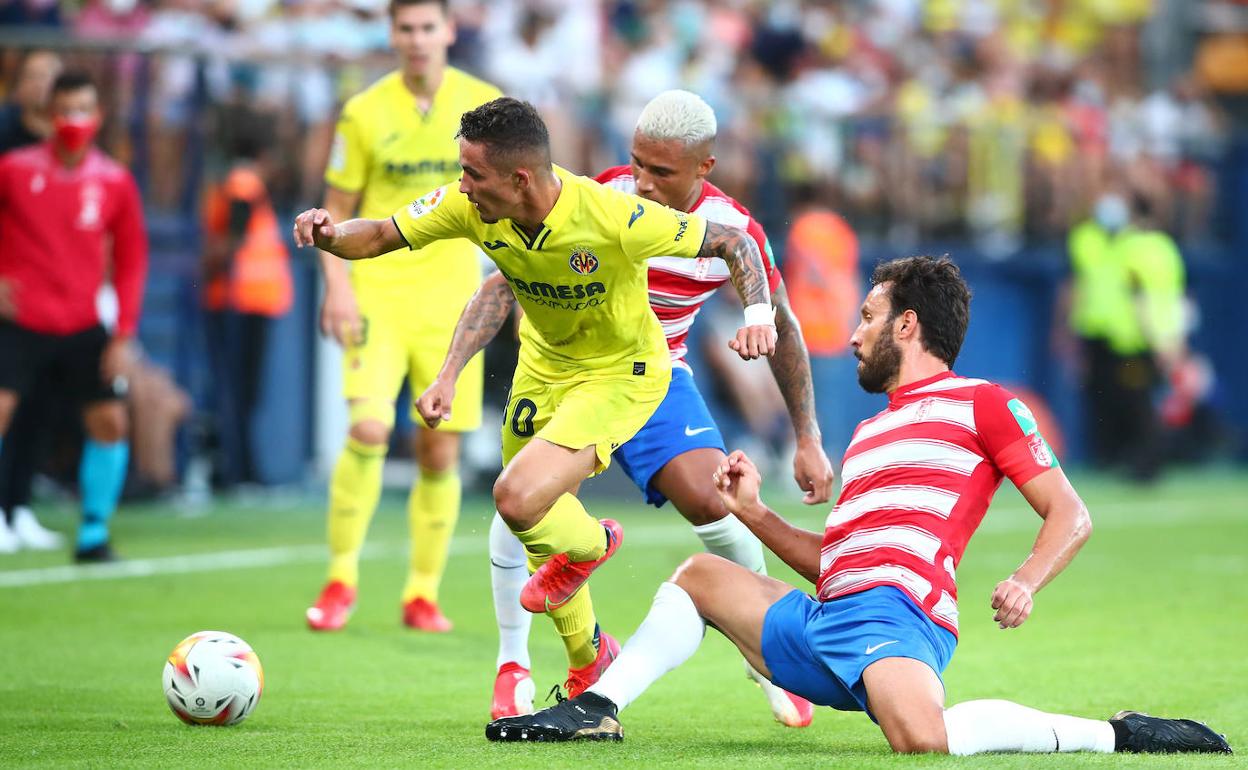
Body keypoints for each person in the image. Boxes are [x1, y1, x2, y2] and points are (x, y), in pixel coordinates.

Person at [485, 256, 1231, 757]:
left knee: (920, 741)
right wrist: (752, 513)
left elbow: (1070, 513)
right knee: (698, 578)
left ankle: (1117, 734)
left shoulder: (987, 405)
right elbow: (833, 565)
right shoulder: (870, 432)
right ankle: (599, 707)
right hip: (826, 620)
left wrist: (1025, 581)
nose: (853, 334)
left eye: (869, 317)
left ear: (909, 325)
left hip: (897, 617)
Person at [294, 96, 777, 708]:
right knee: (532, 526)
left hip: (619, 375)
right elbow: (383, 234)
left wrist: (758, 315)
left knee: (517, 498)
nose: (462, 186)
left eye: (473, 174)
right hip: (542, 367)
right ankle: (589, 658)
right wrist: (332, 236)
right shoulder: (470, 206)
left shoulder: (613, 214)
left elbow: (736, 243)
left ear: (518, 178)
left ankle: (600, 547)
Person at [486, 90, 834, 727]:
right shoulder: (597, 198)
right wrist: (453, 369)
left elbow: (780, 322)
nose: (642, 181)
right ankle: (514, 665)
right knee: (520, 500)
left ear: (705, 167)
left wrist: (806, 436)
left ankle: (767, 660)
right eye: (637, 162)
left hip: (655, 375)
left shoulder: (735, 232)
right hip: (567, 372)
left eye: (662, 171)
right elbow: (504, 281)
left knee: (714, 498)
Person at [303, 0, 502, 633]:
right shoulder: (363, 111)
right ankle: (340, 580)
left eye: (427, 27)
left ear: (448, 30)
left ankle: (422, 592)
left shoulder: (484, 107)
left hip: (452, 299)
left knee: (438, 451)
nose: (416, 40)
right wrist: (336, 287)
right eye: (405, 29)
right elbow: (334, 211)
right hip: (378, 291)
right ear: (391, 35)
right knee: (366, 430)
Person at [0, 70, 148, 563]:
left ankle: (93, 534)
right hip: (20, 319)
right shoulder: (14, 170)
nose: (74, 120)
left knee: (109, 420)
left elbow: (130, 259)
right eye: (66, 110)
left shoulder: (114, 181)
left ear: (99, 116)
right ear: (48, 115)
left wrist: (123, 333)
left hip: (83, 322)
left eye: (84, 109)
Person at [201, 109, 293, 488]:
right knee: (241, 391)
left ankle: (240, 468)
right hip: (240, 300)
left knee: (242, 392)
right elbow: (232, 240)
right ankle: (239, 470)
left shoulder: (240, 182)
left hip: (246, 299)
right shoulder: (245, 183)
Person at [0, 49, 64, 553]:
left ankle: (18, 508)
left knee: (40, 407)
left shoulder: (72, 147)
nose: (45, 86)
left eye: (53, 78)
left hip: (58, 298)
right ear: (17, 85)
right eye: (36, 76)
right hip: (11, 296)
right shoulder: (6, 143)